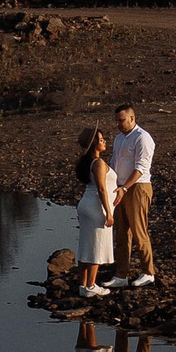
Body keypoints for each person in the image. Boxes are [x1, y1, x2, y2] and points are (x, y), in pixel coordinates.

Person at [104, 105, 157, 289]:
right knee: (121, 233)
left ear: (132, 118)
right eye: (117, 121)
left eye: (121, 120)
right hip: (120, 187)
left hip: (137, 187)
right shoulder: (119, 138)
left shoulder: (142, 137)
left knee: (138, 230)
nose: (118, 124)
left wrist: (125, 188)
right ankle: (121, 274)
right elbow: (114, 162)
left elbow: (141, 168)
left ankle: (148, 272)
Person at [71, 127, 117, 298]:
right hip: (95, 208)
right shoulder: (98, 163)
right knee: (96, 246)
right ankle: (91, 285)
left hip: (87, 206)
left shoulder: (89, 162)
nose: (104, 141)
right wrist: (109, 213)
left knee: (86, 245)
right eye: (101, 139)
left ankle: (83, 285)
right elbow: (102, 189)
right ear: (94, 144)